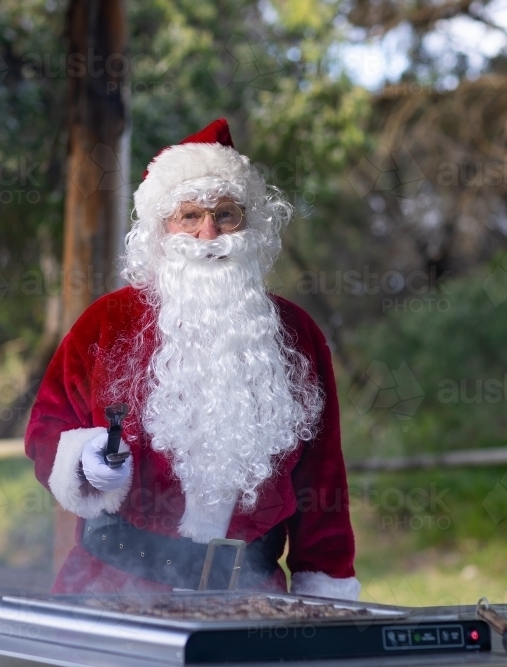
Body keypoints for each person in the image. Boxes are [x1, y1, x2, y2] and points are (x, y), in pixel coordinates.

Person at [26, 118, 358, 599]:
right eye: (189, 216)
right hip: (113, 591)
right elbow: (46, 426)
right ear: (162, 228)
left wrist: (326, 588)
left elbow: (323, 477)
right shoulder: (108, 322)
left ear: (251, 223)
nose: (209, 234)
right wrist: (83, 461)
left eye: (226, 214)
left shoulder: (297, 334)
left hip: (253, 599)